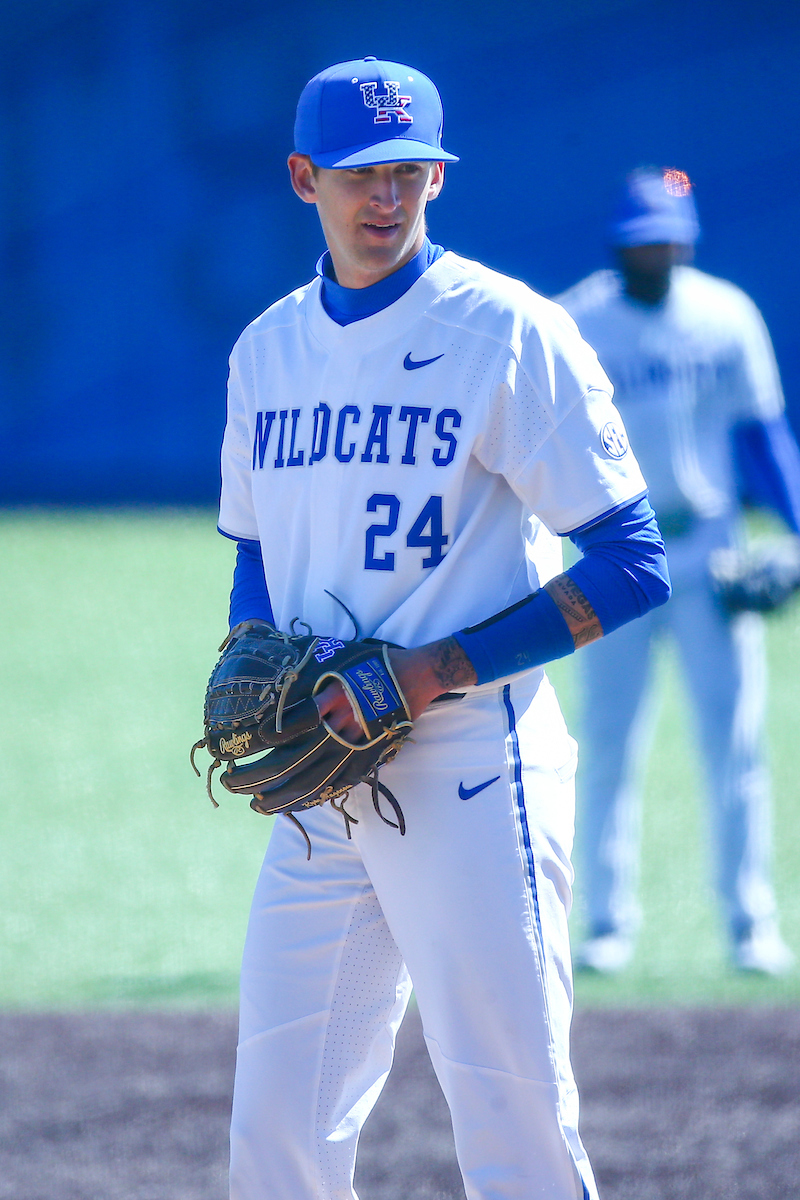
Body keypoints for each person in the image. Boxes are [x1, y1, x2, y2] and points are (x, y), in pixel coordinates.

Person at [216, 58, 670, 1200]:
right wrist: (247, 662)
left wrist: (436, 670)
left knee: (508, 1112)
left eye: (411, 172)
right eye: (362, 174)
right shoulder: (265, 351)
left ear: (436, 178)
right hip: (324, 775)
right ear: (302, 177)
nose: (387, 198)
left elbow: (629, 564)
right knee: (278, 1124)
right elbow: (258, 553)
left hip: (474, 768)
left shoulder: (507, 331)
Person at [558, 167, 799, 976]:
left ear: (687, 239)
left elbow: (764, 439)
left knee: (735, 745)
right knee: (608, 742)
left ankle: (749, 923)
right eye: (642, 239)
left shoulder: (725, 316)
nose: (656, 252)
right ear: (619, 245)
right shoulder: (574, 320)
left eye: (668, 237)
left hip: (709, 550)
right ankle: (607, 922)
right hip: (615, 558)